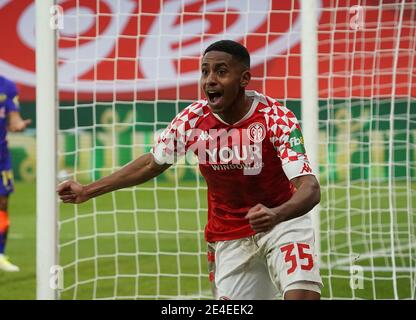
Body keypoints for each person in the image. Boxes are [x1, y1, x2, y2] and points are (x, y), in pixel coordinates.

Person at [57, 40, 323, 299]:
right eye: (205, 71)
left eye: (221, 71)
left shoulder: (274, 117)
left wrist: (276, 214)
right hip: (229, 235)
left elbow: (309, 188)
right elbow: (152, 162)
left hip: (283, 222)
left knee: (303, 294)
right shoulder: (192, 120)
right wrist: (87, 191)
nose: (210, 80)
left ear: (244, 79)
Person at [0, 76, 31, 272]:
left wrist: (17, 124)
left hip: (1, 156)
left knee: (2, 202)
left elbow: (14, 118)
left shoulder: (7, 85)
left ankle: (0, 254)